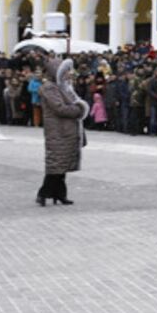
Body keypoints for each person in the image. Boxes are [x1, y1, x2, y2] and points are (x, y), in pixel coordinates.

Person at [36, 58, 89, 206]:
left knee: (62, 164)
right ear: (56, 72)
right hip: (58, 131)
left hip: (67, 131)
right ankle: (43, 193)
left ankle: (59, 194)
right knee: (56, 165)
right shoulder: (49, 88)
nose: (69, 73)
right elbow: (60, 108)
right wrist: (80, 109)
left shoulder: (65, 87)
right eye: (65, 71)